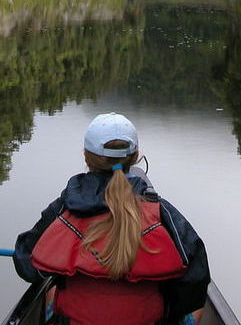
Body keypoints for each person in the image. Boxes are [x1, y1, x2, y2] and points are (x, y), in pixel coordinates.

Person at [13, 112, 210, 325]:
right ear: (135, 158)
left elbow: (27, 262)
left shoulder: (62, 209)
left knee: (51, 284)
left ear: (86, 157)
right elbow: (196, 277)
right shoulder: (162, 212)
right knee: (196, 305)